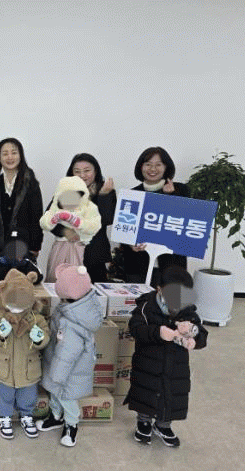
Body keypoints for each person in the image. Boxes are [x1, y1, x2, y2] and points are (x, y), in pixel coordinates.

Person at [124, 266, 208, 447]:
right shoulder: (146, 307)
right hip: (148, 363)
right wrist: (158, 332)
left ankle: (163, 425)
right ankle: (144, 421)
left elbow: (202, 335)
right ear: (159, 289)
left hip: (176, 365)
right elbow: (136, 328)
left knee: (171, 394)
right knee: (145, 391)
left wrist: (194, 337)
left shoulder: (188, 311)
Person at [37, 264, 104, 447]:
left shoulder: (72, 323)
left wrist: (56, 374)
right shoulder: (73, 307)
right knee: (55, 394)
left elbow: (67, 354)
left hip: (67, 371)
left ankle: (71, 425)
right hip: (59, 364)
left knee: (66, 398)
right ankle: (56, 417)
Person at [0, 269, 50, 440]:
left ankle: (26, 415)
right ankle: (4, 417)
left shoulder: (36, 319)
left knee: (28, 394)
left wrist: (39, 338)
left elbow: (46, 337)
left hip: (28, 367)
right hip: (4, 367)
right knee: (3, 394)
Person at [122, 147, 190, 285]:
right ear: (141, 167)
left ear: (166, 167)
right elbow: (124, 228)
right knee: (142, 298)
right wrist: (130, 244)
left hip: (172, 262)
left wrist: (170, 196)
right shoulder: (132, 194)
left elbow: (187, 222)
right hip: (139, 263)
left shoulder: (181, 190)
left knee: (172, 297)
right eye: (148, 164)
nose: (152, 169)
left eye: (158, 164)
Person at [0, 138, 43, 271]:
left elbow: (36, 215)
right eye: (5, 154)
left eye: (14, 153)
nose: (10, 157)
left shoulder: (29, 179)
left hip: (21, 243)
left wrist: (35, 245)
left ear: (20, 155)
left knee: (18, 279)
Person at [60, 153, 117, 282]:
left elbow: (107, 219)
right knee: (68, 289)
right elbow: (51, 219)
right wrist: (66, 232)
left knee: (95, 291)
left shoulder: (105, 189)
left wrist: (103, 195)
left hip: (95, 255)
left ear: (95, 171)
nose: (82, 175)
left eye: (87, 171)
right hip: (70, 252)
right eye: (77, 171)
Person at [40, 176, 102, 282]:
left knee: (77, 277)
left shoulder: (89, 207)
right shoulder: (55, 207)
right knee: (55, 276)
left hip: (80, 247)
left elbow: (95, 225)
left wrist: (79, 223)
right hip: (60, 246)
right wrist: (53, 220)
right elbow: (44, 222)